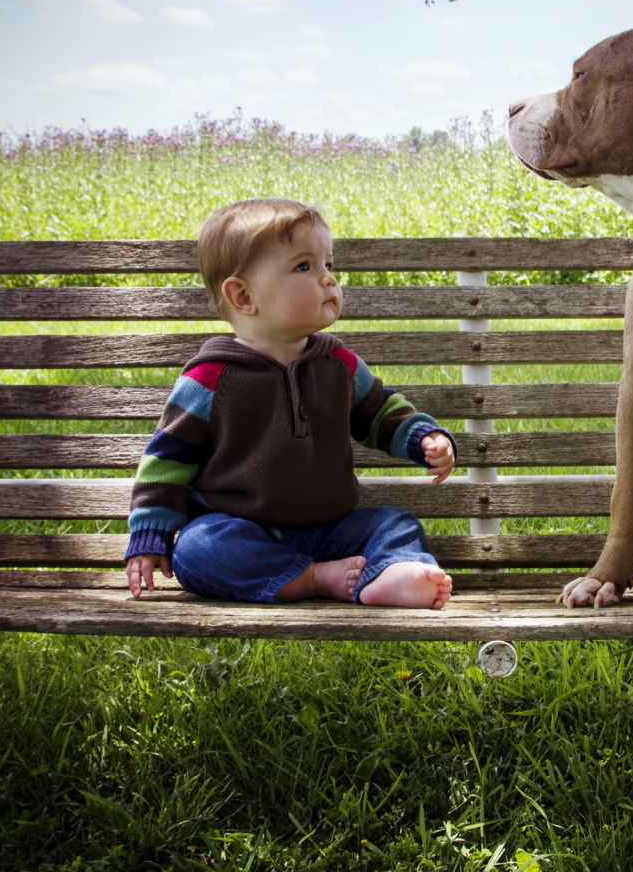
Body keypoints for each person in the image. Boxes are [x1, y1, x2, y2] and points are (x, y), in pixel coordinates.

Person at [124, 197, 455, 609]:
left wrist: (422, 437)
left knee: (394, 523)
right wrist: (151, 531)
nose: (328, 280)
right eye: (304, 267)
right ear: (243, 296)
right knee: (197, 548)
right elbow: (168, 458)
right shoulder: (210, 379)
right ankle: (316, 578)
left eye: (328, 266)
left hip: (333, 529)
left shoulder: (339, 365)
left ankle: (392, 573)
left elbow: (379, 411)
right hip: (243, 529)